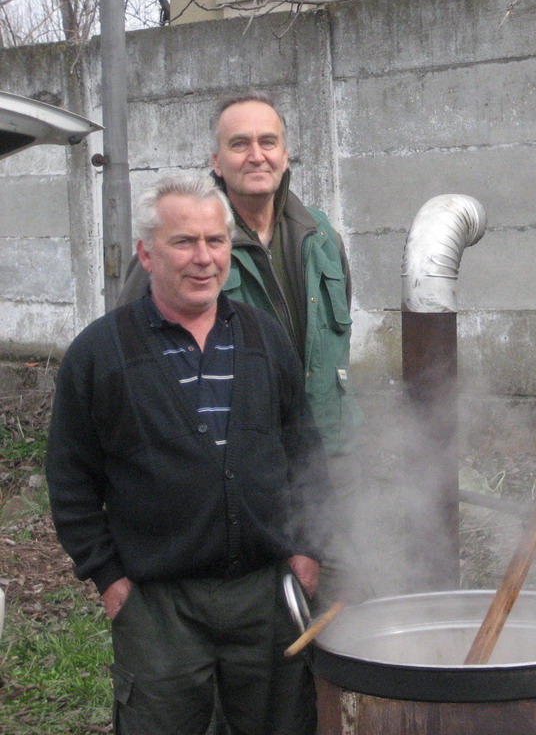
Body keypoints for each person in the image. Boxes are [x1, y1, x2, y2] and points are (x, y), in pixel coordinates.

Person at [46, 174, 327, 735]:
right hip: (157, 603)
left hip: (262, 594)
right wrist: (108, 577)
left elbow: (304, 451)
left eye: (216, 241)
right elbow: (70, 477)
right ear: (147, 254)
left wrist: (308, 545)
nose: (204, 258)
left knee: (282, 724)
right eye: (184, 242)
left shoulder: (264, 338)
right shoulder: (101, 353)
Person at [120, 93, 360, 459]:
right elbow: (128, 352)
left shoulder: (322, 237)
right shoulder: (181, 244)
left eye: (268, 142)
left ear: (285, 154)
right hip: (233, 465)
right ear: (216, 162)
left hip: (330, 456)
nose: (256, 155)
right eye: (239, 144)